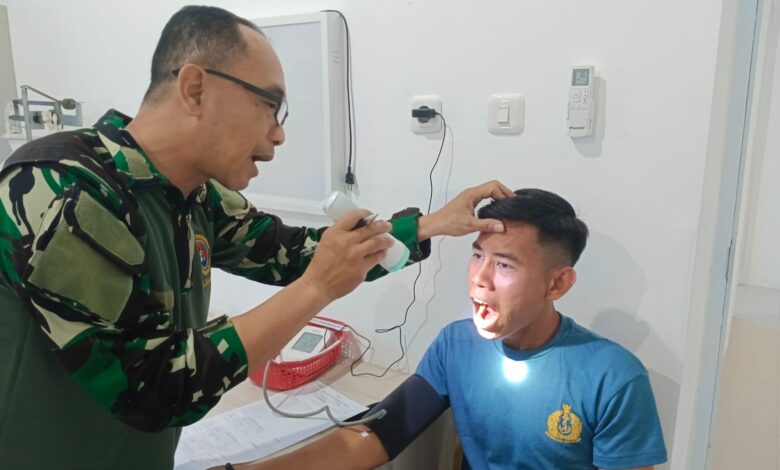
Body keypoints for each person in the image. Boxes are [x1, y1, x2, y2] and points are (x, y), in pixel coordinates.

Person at [0, 6, 513, 470]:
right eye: (270, 106)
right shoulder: (65, 189)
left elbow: (291, 253)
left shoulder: (193, 195)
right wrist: (317, 289)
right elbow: (153, 388)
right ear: (195, 89)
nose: (280, 134)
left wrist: (429, 225)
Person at [230, 188, 668, 470]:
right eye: (477, 256)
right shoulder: (456, 346)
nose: (480, 278)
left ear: (558, 284)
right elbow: (377, 434)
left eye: (504, 265)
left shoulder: (613, 377)